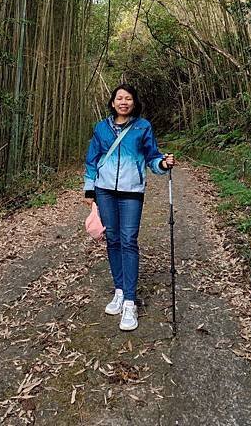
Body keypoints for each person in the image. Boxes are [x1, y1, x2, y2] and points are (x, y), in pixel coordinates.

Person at [83, 84, 175, 331]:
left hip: (132, 192)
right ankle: (120, 290)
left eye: (128, 98)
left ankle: (130, 301)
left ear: (134, 103)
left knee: (128, 240)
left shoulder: (142, 127)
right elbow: (92, 161)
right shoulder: (101, 128)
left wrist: (163, 165)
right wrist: (89, 189)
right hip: (104, 191)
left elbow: (152, 157)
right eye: (119, 98)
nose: (123, 102)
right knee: (112, 239)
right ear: (112, 103)